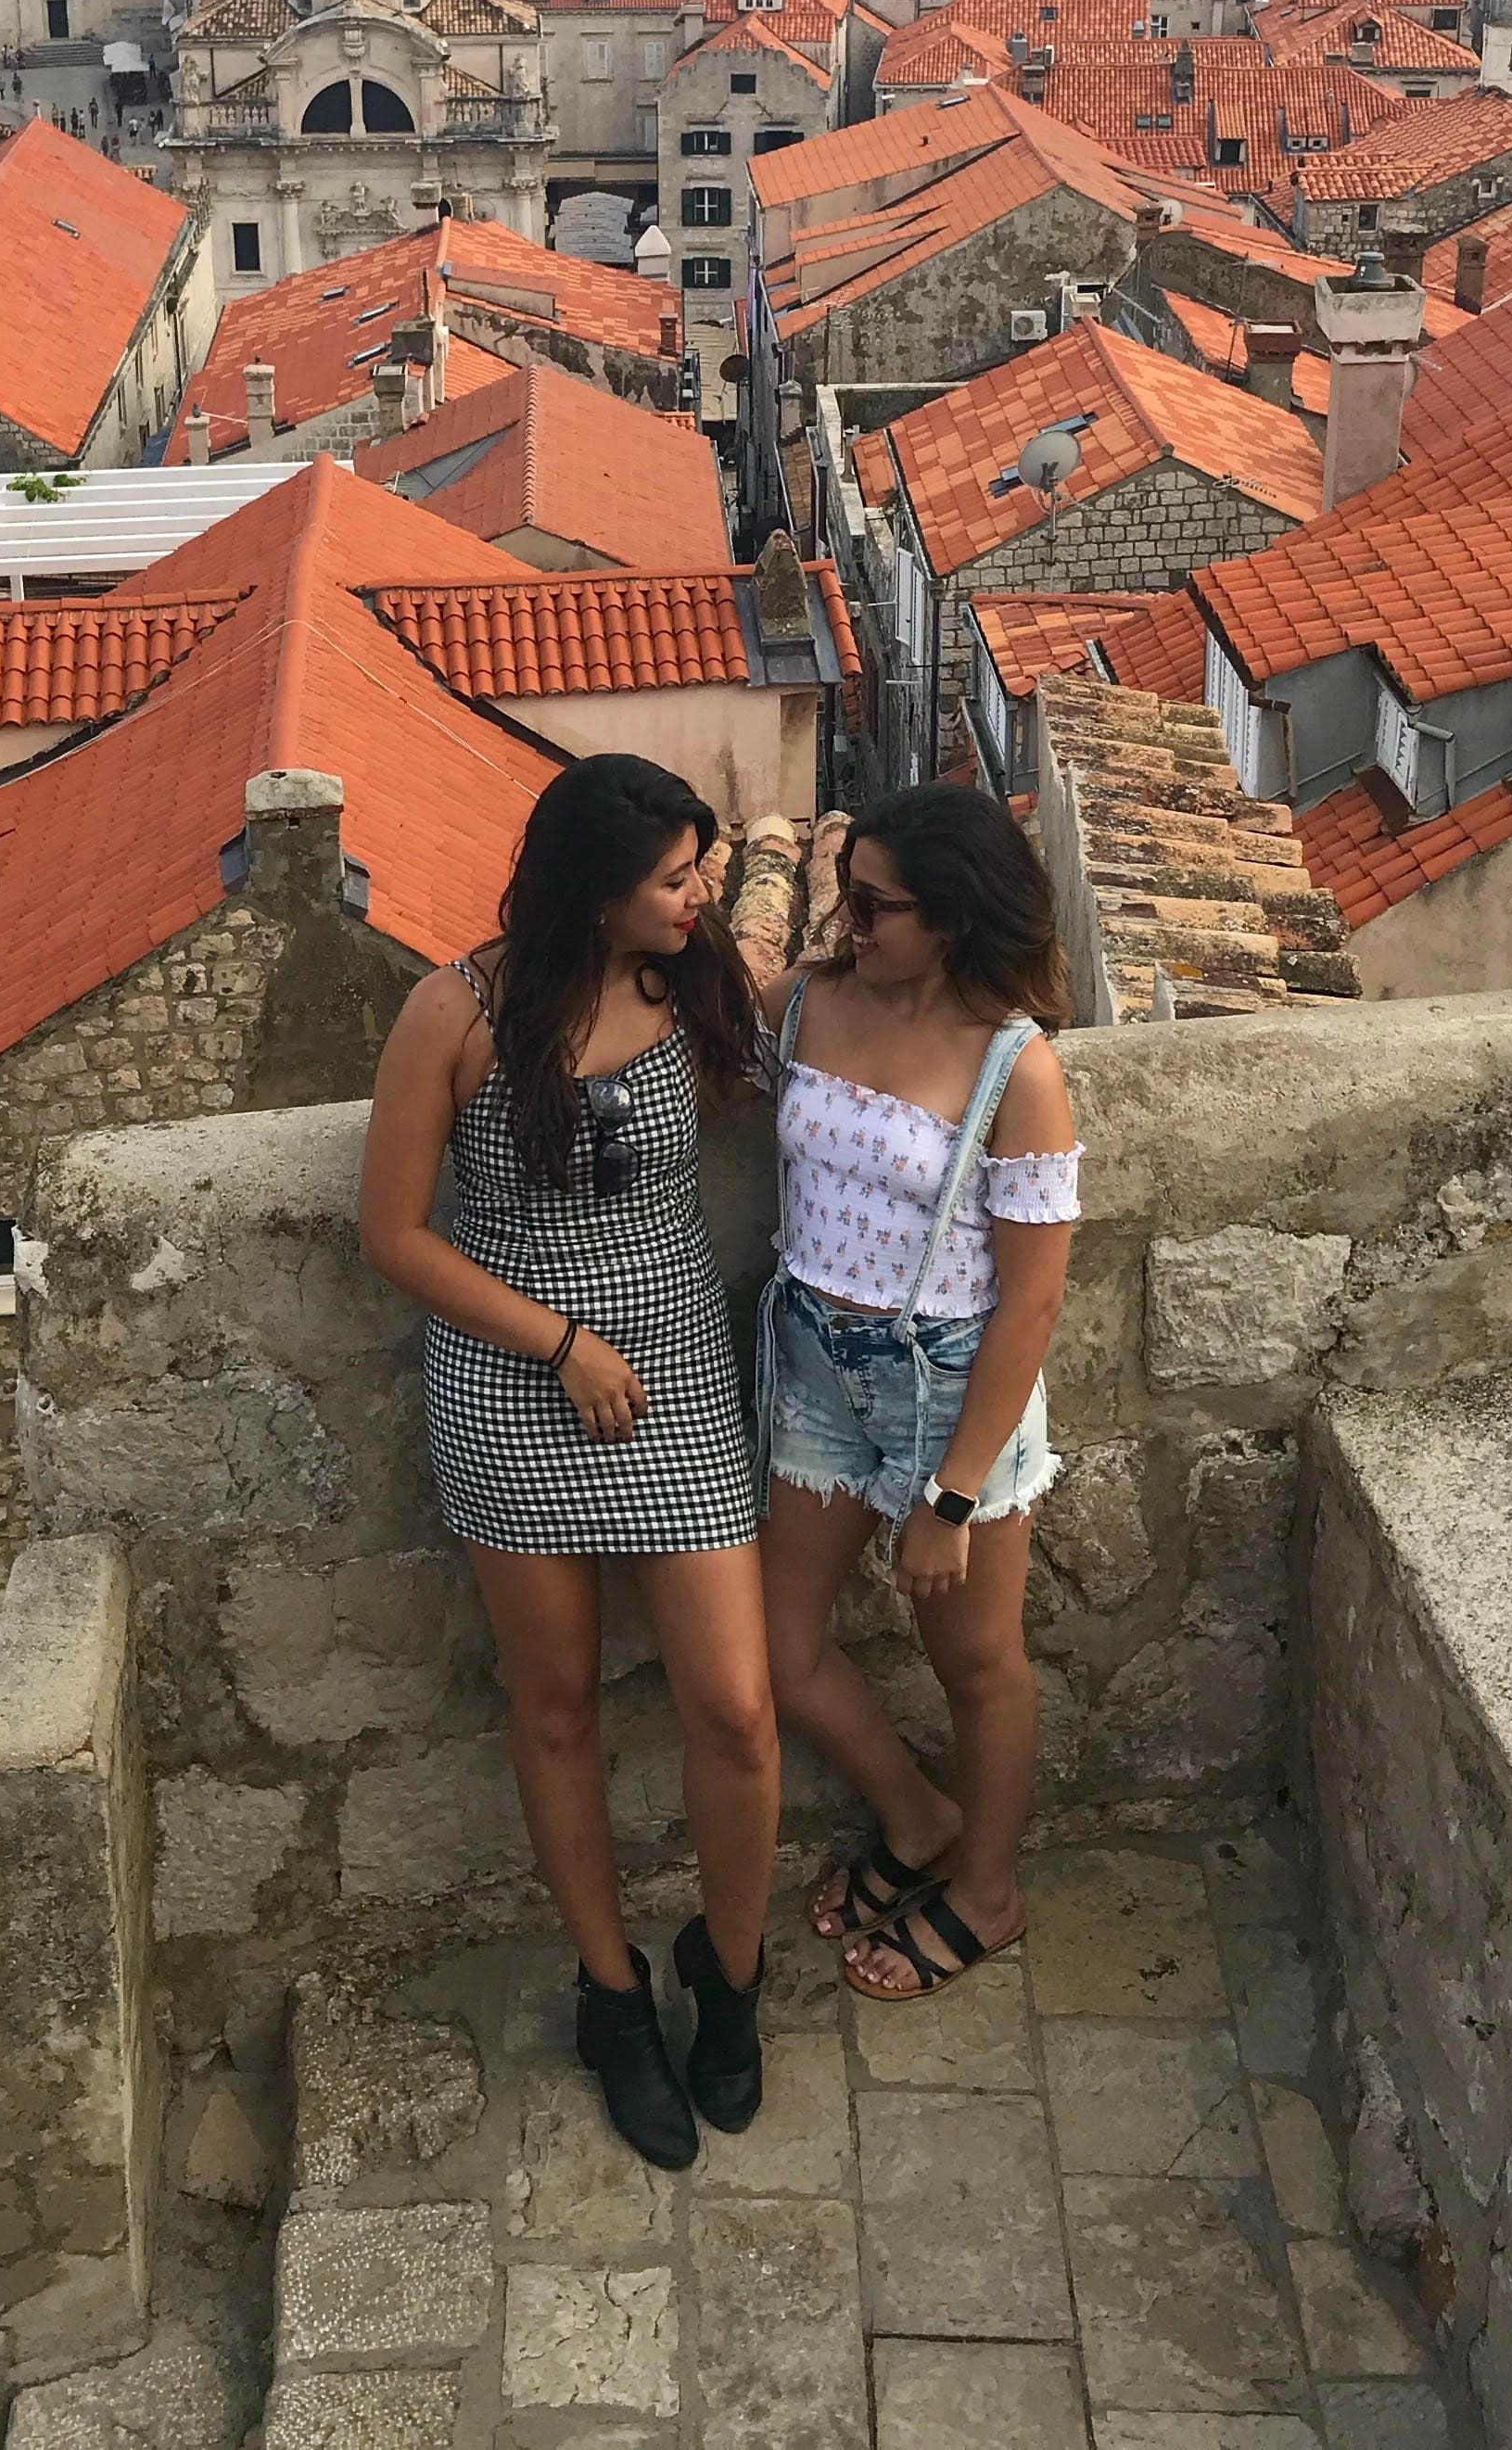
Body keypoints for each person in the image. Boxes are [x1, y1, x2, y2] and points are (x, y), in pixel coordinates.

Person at [361, 756, 779, 2166]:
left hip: (673, 1374)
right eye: (675, 877)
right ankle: (610, 1998)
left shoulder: (693, 976)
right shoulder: (453, 1014)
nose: (700, 892)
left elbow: (799, 1052)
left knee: (733, 1708)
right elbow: (395, 1233)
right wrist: (559, 1344)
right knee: (555, 1709)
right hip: (516, 1380)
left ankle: (729, 1972)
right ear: (593, 896)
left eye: (700, 868)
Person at [755, 783, 1080, 2000]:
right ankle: (916, 1815)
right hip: (816, 1367)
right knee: (782, 1653)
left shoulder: (1017, 1068)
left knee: (980, 1662)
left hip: (952, 1395)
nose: (848, 918)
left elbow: (1030, 1305)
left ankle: (989, 1893)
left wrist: (947, 1500)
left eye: (877, 905)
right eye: (850, 892)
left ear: (947, 918)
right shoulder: (805, 1003)